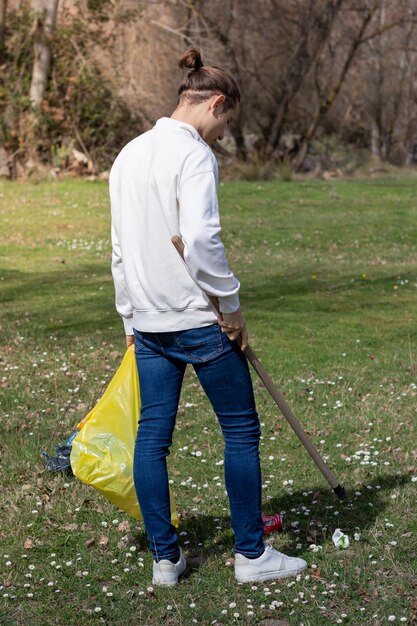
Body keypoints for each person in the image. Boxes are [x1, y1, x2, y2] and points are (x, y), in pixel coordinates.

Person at [109, 48, 307, 586]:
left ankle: (165, 561)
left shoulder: (128, 153)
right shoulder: (194, 155)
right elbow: (199, 238)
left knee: (153, 440)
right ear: (217, 103)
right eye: (227, 122)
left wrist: (130, 320)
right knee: (240, 432)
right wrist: (232, 304)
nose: (222, 134)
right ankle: (251, 555)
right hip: (200, 322)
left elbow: (120, 250)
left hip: (149, 325)